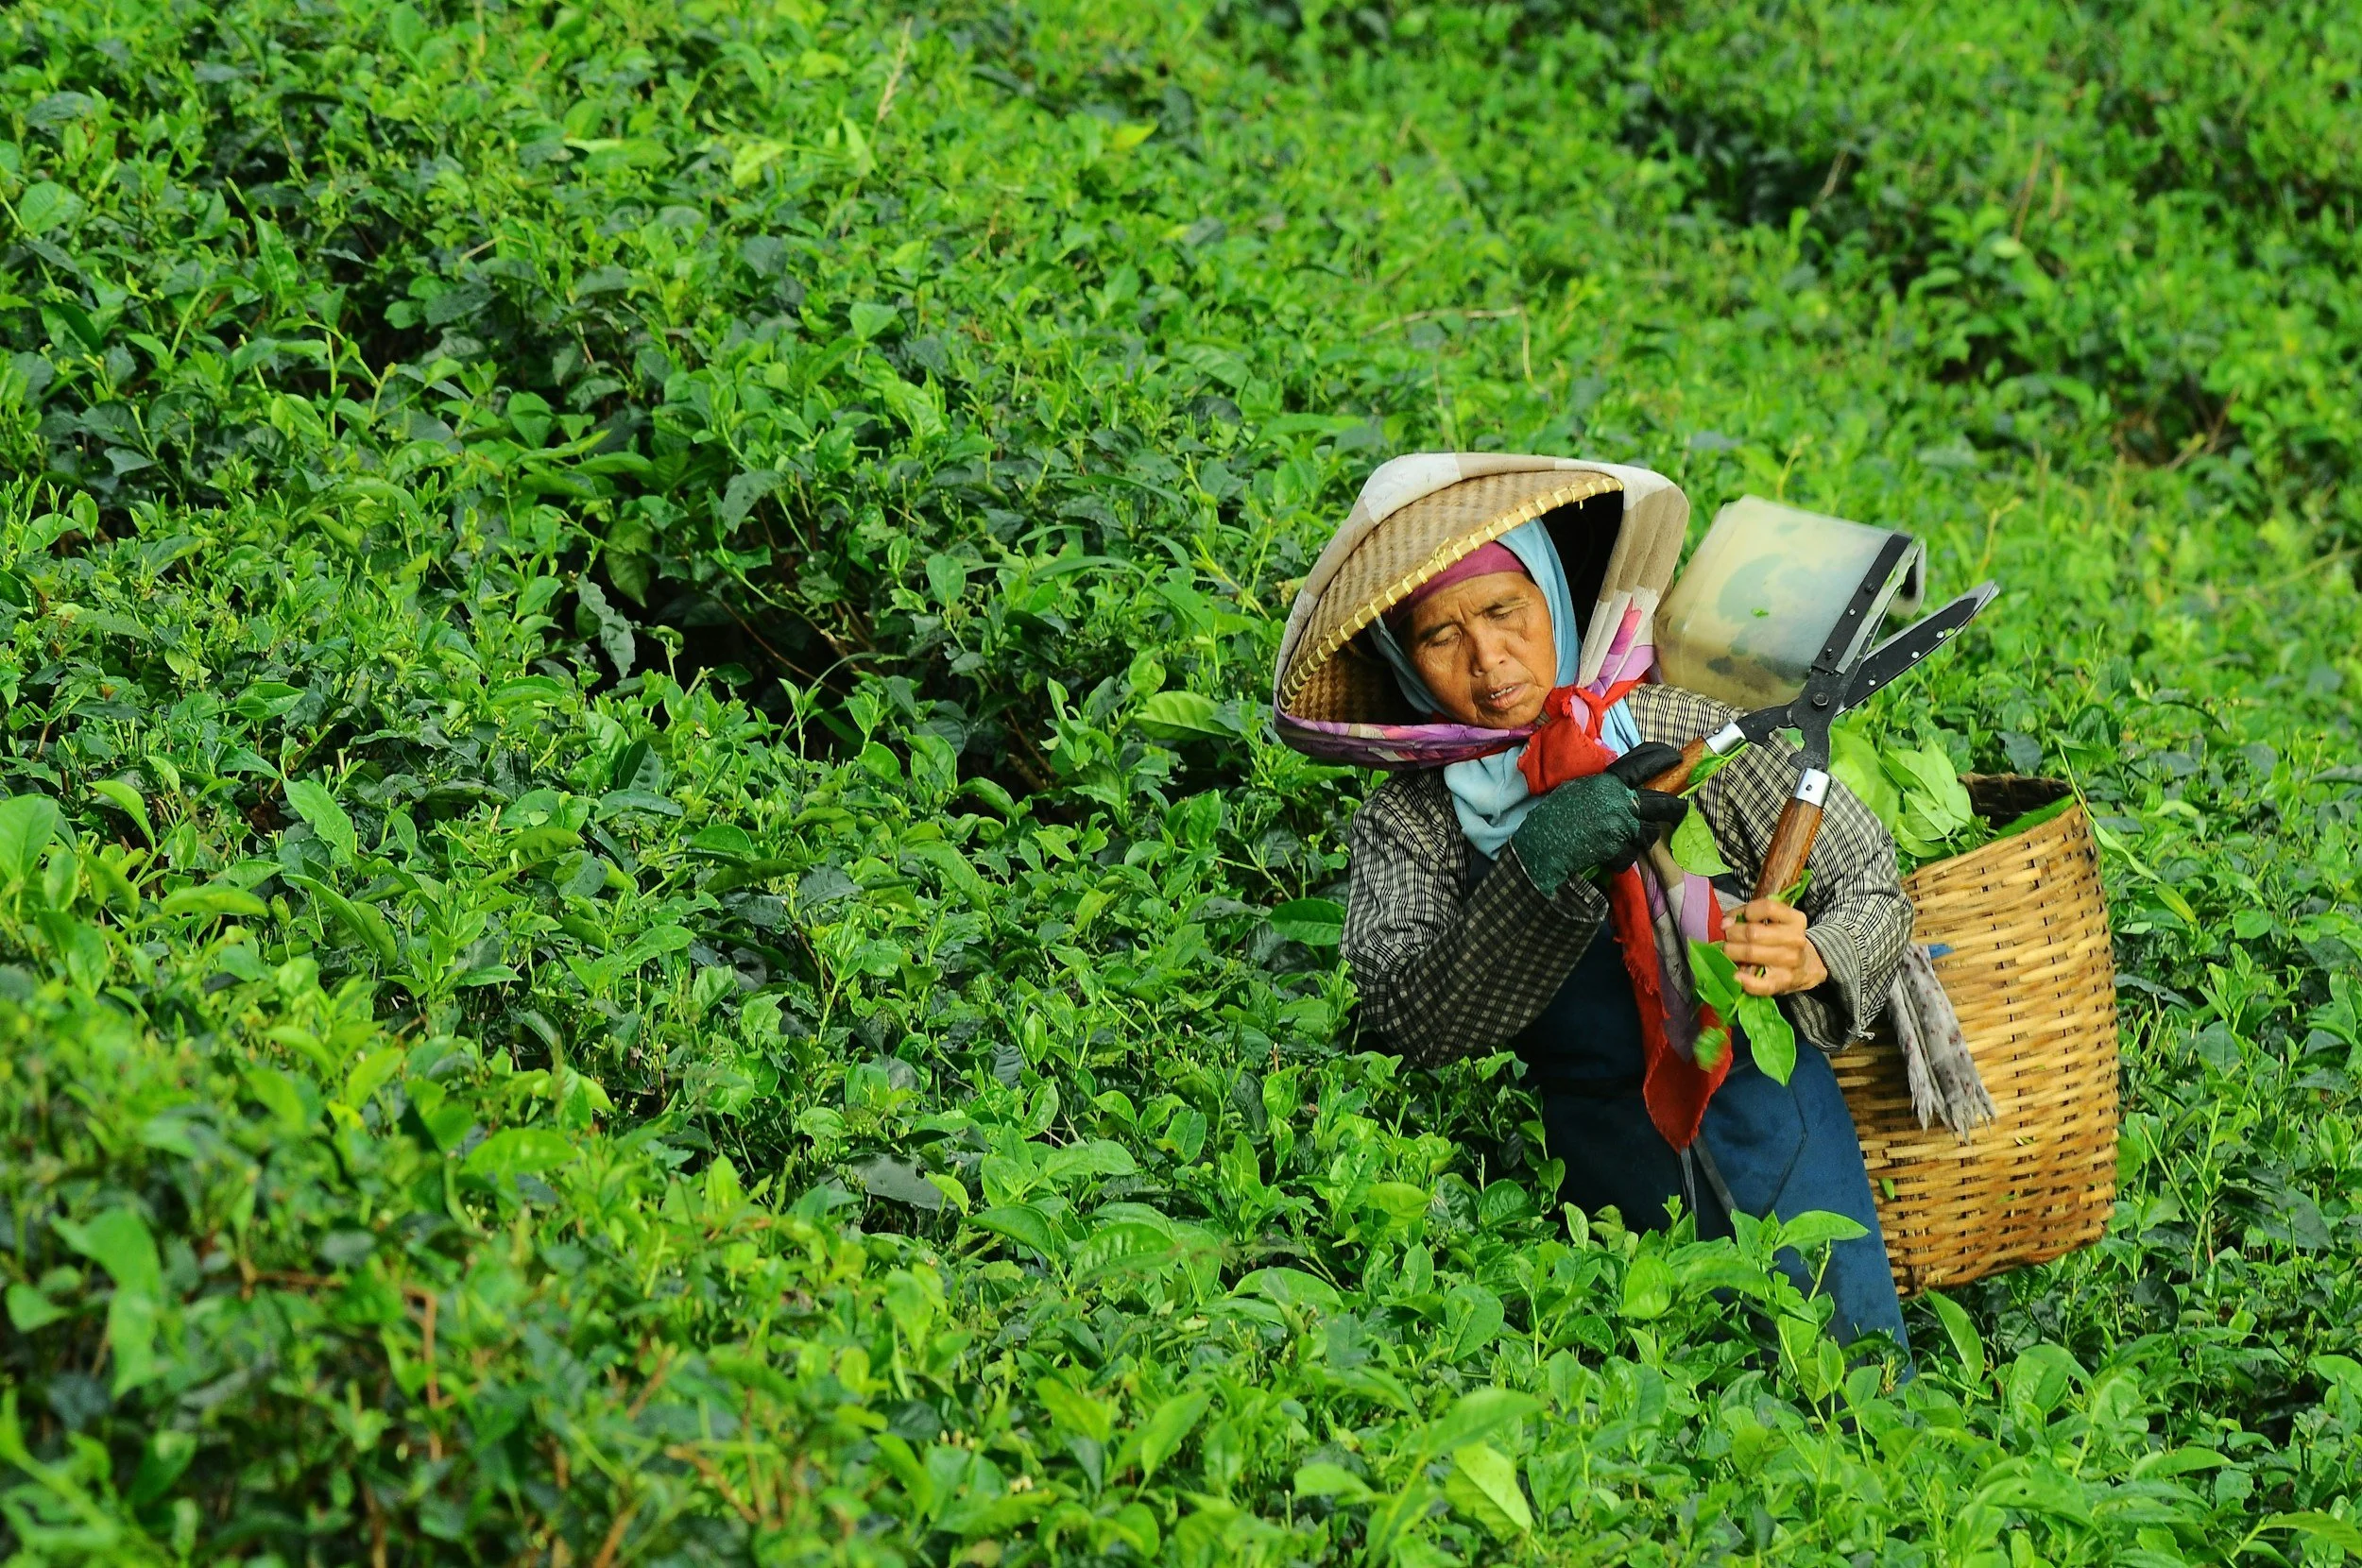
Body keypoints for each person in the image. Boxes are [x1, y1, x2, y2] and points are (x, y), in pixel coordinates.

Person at [1334, 514, 1914, 1353]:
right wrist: (1536, 863)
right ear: (1404, 662)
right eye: (1440, 637)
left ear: (1555, 603)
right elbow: (1408, 1013)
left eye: (1506, 612)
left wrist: (1817, 954)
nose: (1489, 659)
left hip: (1785, 1142)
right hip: (1603, 1183)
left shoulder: (1674, 724)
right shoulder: (1415, 817)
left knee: (1857, 1394)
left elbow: (1867, 881)